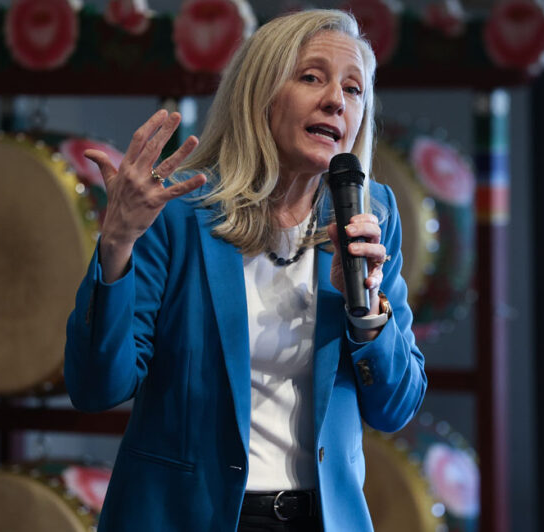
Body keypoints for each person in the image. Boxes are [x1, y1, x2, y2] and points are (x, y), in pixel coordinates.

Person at [64, 9, 426, 532]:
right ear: (260, 95)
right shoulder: (180, 212)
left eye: (353, 89)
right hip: (186, 518)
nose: (336, 100)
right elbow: (97, 387)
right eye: (312, 77)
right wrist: (117, 242)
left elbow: (395, 408)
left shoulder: (370, 215)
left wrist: (367, 314)